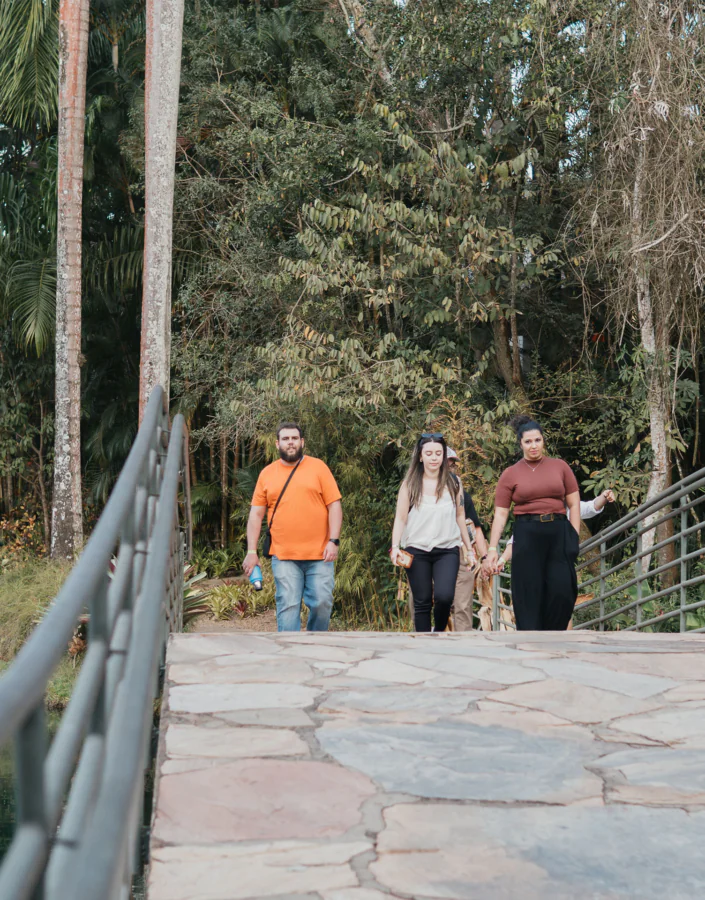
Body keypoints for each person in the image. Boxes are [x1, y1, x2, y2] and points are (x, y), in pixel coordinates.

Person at [484, 417, 580, 630]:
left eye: (537, 440)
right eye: (528, 441)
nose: (533, 445)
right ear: (520, 443)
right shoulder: (510, 474)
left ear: (543, 441)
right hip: (526, 534)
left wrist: (574, 535)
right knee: (528, 589)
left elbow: (574, 504)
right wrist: (492, 548)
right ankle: (530, 638)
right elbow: (501, 514)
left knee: (562, 589)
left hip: (558, 532)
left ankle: (552, 635)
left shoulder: (560, 467)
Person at [244, 423, 342, 632]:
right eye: (286, 439)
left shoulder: (318, 467)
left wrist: (333, 541)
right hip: (284, 554)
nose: (291, 442)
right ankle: (290, 657)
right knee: (288, 606)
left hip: (320, 554)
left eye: (295, 438)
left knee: (322, 603)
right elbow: (256, 515)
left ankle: (316, 645)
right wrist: (252, 552)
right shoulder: (267, 473)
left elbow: (334, 505)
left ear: (302, 442)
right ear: (277, 443)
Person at [391, 433, 476, 633]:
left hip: (447, 548)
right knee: (421, 602)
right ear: (420, 456)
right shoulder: (410, 484)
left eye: (438, 453)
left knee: (444, 596)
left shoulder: (454, 483)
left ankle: (438, 632)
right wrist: (395, 546)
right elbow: (401, 518)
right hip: (417, 549)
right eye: (429, 453)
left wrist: (469, 550)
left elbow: (460, 517)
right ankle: (423, 645)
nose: (434, 457)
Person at [495, 489, 616, 570]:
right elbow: (516, 540)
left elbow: (591, 506)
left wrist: (604, 497)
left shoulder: (568, 511)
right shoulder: (534, 515)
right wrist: (502, 560)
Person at [447, 447, 489, 630]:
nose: (450, 467)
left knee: (463, 605)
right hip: (430, 553)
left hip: (461, 553)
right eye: (447, 463)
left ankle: (464, 647)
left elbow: (475, 528)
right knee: (430, 603)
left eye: (452, 464)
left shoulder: (463, 495)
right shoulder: (420, 490)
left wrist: (485, 558)